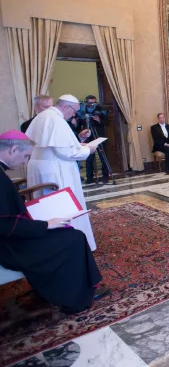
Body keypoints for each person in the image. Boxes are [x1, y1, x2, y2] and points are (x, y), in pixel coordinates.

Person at [0, 130, 107, 314]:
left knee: (67, 233)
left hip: (12, 237)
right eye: (25, 156)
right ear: (13, 149)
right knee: (73, 238)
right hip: (10, 246)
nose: (24, 162)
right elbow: (5, 225)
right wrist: (45, 224)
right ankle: (74, 298)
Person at [25, 95, 98, 251]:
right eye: (74, 111)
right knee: (62, 206)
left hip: (40, 167)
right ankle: (67, 243)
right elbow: (64, 152)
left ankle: (47, 241)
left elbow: (58, 145)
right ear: (66, 107)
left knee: (43, 206)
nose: (74, 115)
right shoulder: (55, 120)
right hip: (54, 170)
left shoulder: (43, 117)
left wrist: (78, 144)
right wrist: (87, 150)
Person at [78, 95, 110, 184]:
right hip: (88, 137)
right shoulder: (83, 112)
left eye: (94, 103)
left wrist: (99, 120)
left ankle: (105, 177)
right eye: (90, 103)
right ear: (86, 103)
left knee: (103, 156)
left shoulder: (100, 110)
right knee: (89, 158)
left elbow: (107, 122)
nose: (92, 105)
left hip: (99, 136)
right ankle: (89, 178)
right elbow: (79, 124)